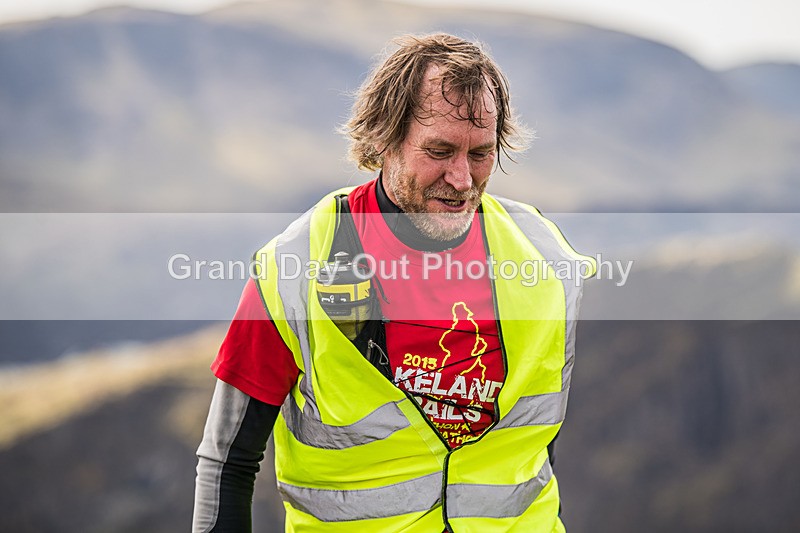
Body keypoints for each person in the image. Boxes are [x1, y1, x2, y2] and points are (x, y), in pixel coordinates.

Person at [193, 33, 595, 533]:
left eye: (480, 154)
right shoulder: (294, 268)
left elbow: (532, 450)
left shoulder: (544, 260)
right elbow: (227, 463)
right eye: (439, 151)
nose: (462, 179)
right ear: (384, 139)